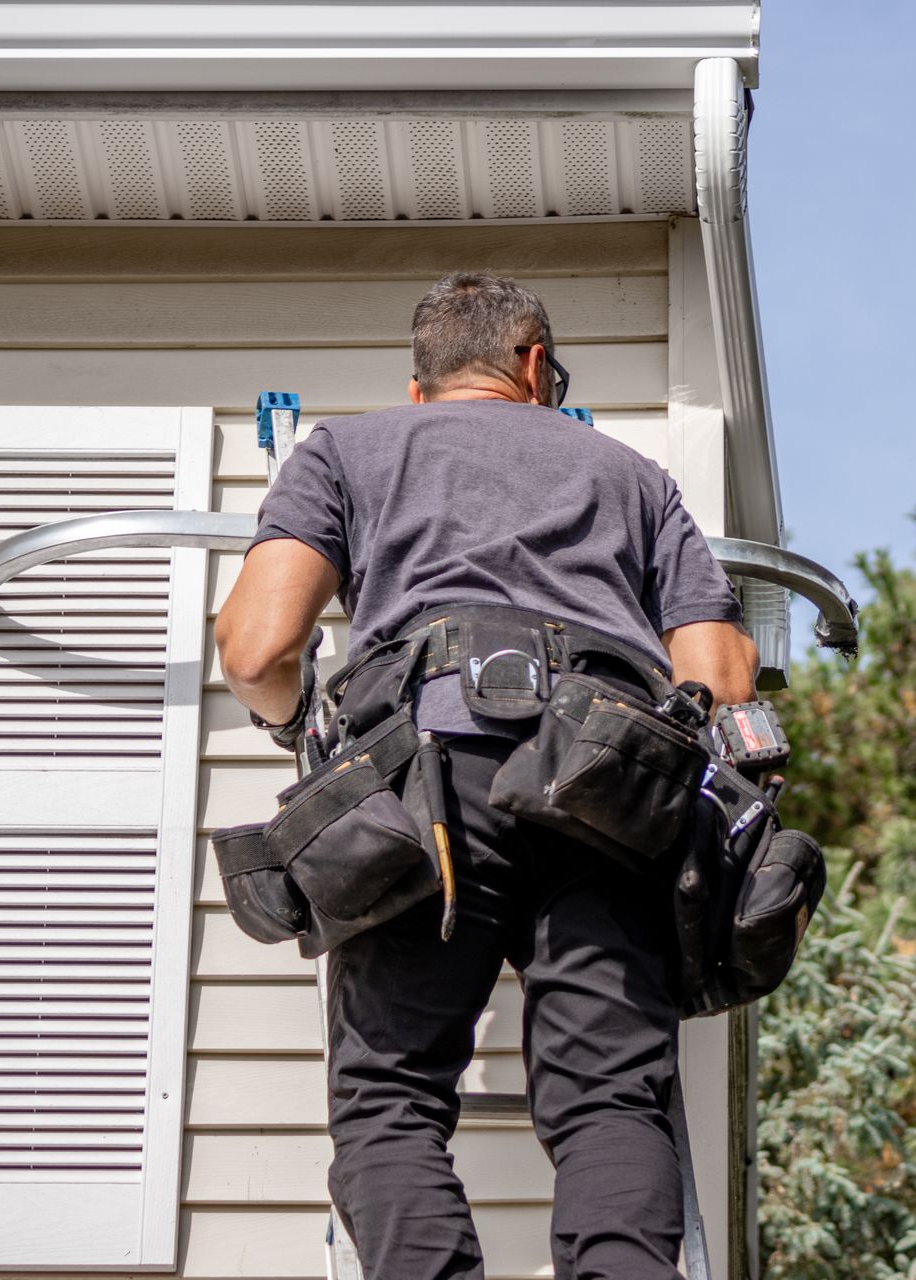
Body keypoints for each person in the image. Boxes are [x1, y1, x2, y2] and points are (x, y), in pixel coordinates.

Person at [214, 271, 758, 1280]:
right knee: (608, 1096)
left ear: (420, 390)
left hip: (422, 788)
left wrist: (299, 726)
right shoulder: (632, 474)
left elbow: (253, 649)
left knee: (390, 1095)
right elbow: (720, 680)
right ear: (536, 366)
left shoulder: (349, 450)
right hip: (605, 785)